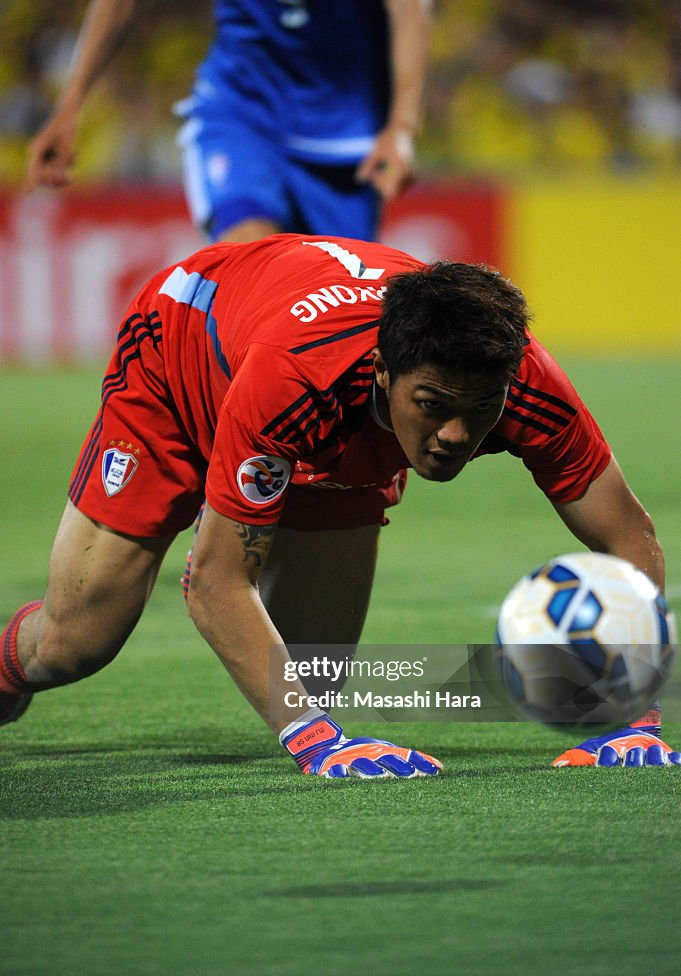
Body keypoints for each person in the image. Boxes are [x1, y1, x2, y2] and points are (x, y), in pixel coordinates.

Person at [0, 232, 677, 775]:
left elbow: (628, 540)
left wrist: (636, 719)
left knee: (304, 674)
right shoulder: (296, 373)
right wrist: (317, 745)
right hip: (182, 360)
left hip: (331, 430)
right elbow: (212, 580)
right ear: (383, 370)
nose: (455, 438)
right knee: (73, 644)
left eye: (480, 412)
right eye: (432, 407)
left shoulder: (526, 380)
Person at [25, 0, 432, 243]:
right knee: (253, 270)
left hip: (345, 141)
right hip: (241, 113)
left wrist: (401, 127)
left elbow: (410, 8)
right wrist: (69, 106)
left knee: (342, 332)